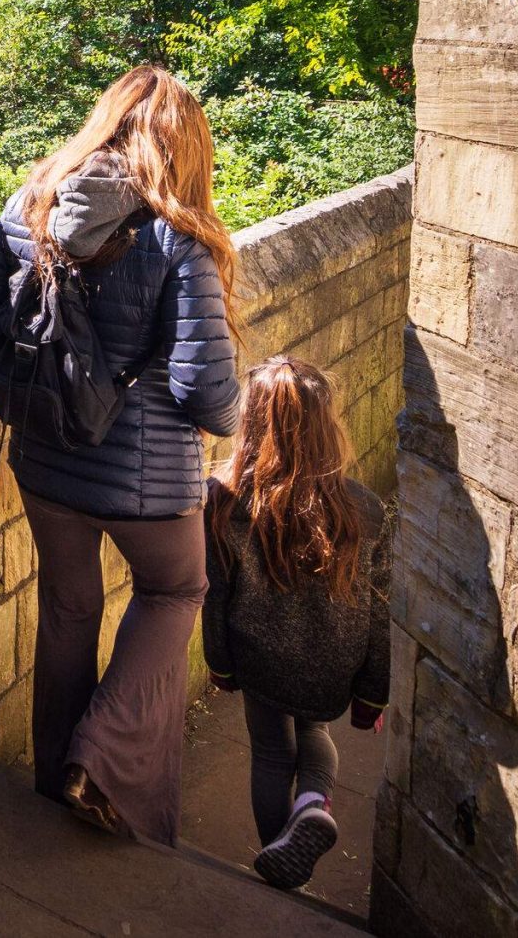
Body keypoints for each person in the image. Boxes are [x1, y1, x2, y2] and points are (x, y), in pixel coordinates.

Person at [0, 65, 242, 846]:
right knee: (177, 589)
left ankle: (55, 781)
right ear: (182, 145)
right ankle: (101, 759)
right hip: (146, 485)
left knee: (68, 609)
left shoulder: (32, 206)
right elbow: (207, 394)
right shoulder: (176, 236)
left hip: (46, 460)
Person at [202, 358, 392, 891]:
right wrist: (374, 692)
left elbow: (215, 593)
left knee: (269, 750)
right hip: (334, 658)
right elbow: (381, 610)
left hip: (259, 653)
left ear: (252, 423)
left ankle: (280, 867)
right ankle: (312, 804)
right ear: (326, 425)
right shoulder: (366, 509)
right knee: (314, 730)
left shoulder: (225, 500)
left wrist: (220, 664)